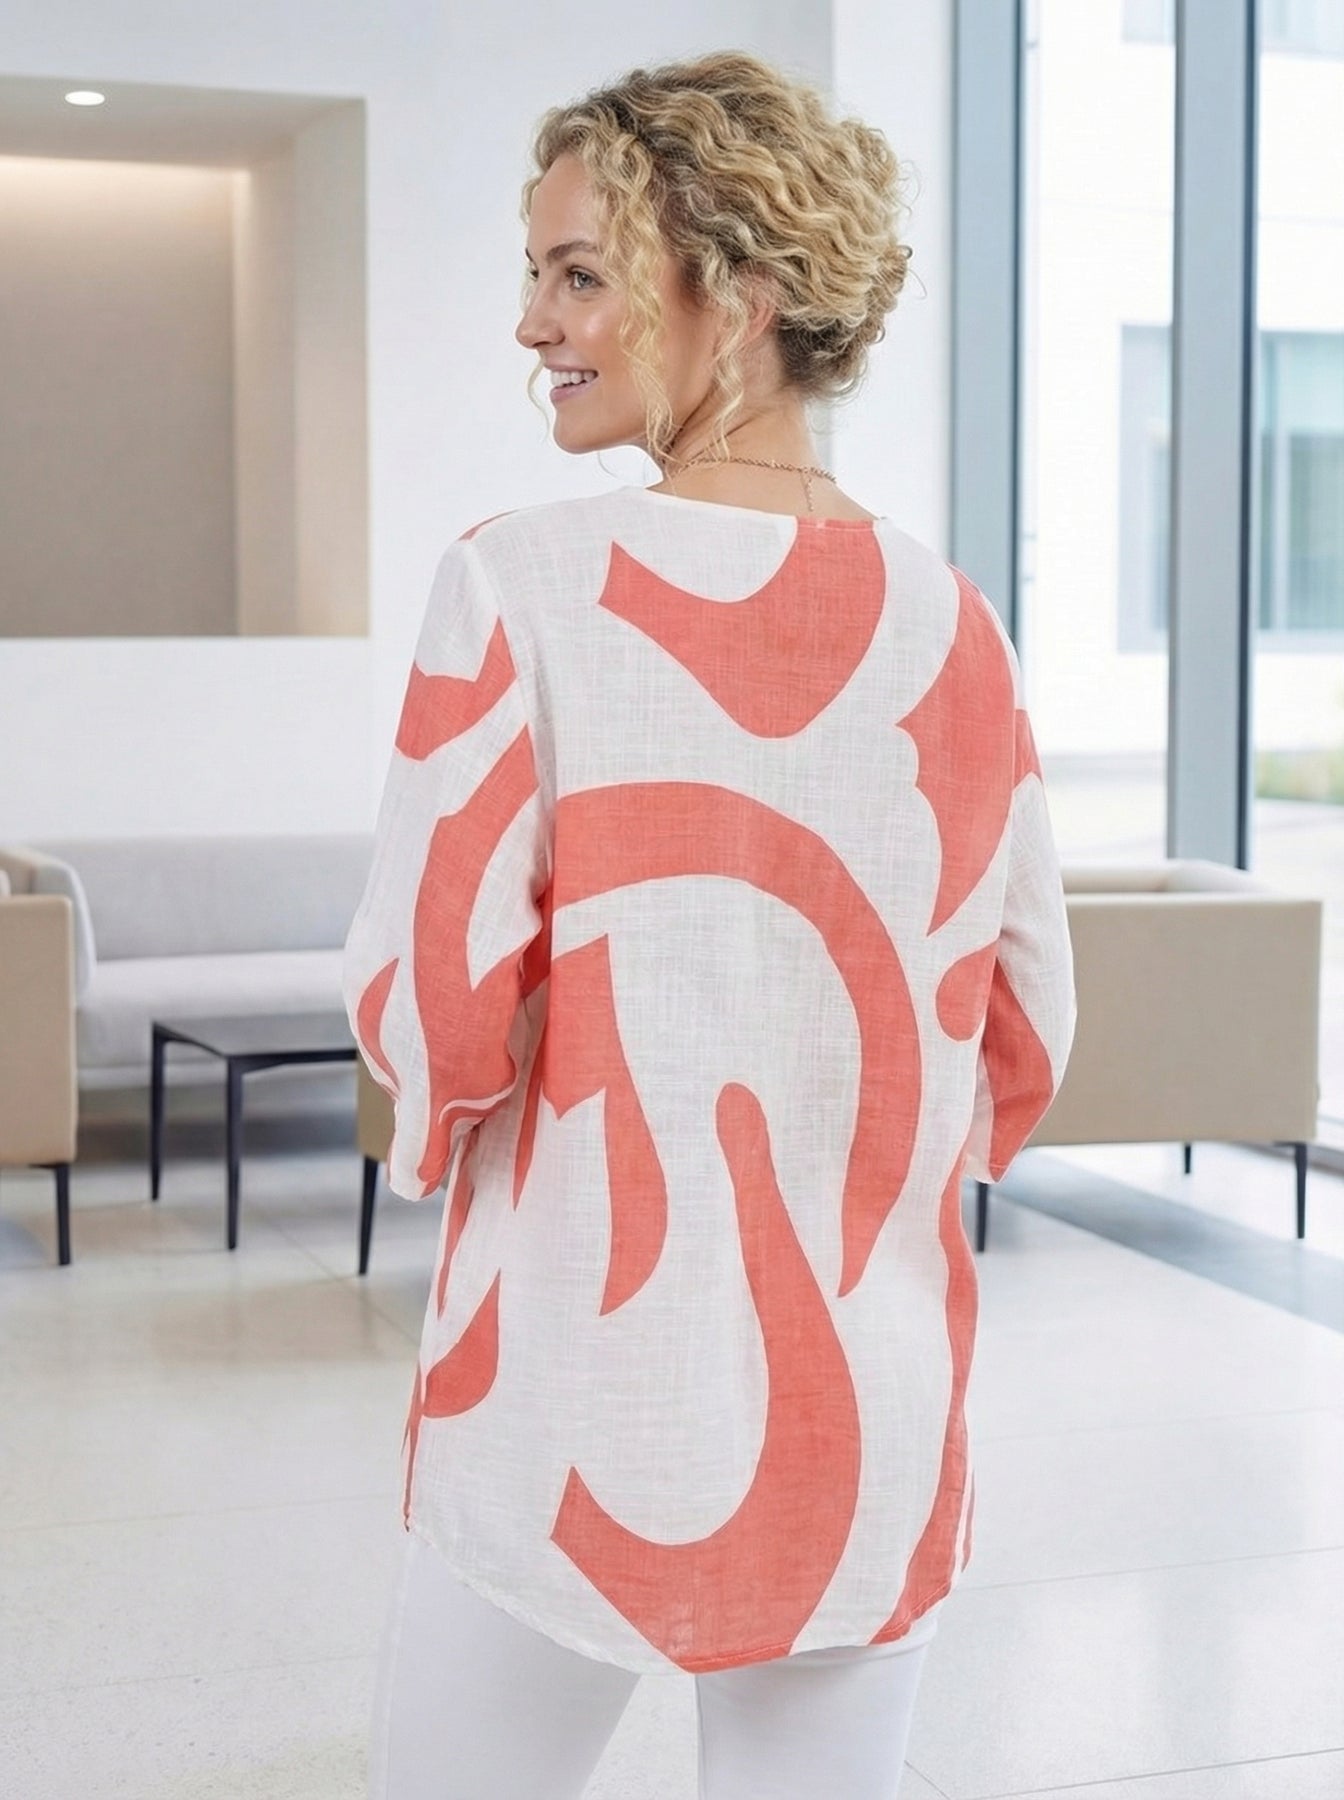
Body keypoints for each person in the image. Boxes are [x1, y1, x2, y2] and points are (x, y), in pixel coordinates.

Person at [343, 49, 1076, 1800]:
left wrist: (454, 1120)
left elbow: (432, 1013)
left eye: (580, 273)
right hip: (865, 1413)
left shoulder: (517, 584)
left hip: (572, 1392)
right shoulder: (955, 624)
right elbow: (1027, 1030)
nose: (534, 321)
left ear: (734, 296)